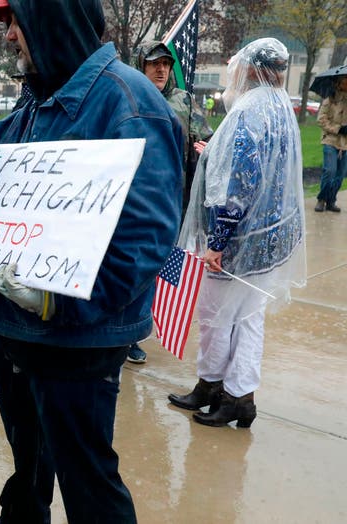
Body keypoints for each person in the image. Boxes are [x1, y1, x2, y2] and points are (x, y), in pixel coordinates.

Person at [0, 0, 182, 522]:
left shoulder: (129, 105)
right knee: (28, 461)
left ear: (52, 19)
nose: (9, 35)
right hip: (15, 329)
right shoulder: (37, 101)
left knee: (88, 480)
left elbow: (145, 239)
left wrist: (58, 302)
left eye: (16, 21)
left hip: (78, 343)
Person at [169, 38, 306, 429]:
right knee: (248, 316)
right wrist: (214, 152)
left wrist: (217, 241)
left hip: (240, 239)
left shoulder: (248, 111)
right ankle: (231, 393)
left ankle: (223, 390)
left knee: (216, 314)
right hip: (271, 238)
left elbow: (241, 184)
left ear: (249, 69)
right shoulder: (280, 108)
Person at [126, 40, 214, 364]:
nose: (161, 69)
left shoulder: (183, 100)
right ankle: (129, 334)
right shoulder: (127, 97)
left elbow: (205, 137)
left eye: (165, 64)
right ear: (141, 66)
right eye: (154, 64)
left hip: (173, 199)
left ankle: (146, 325)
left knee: (163, 266)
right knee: (134, 266)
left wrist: (207, 148)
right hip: (135, 199)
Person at [314, 75, 347, 213]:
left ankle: (331, 200)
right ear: (339, 83)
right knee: (330, 170)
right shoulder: (330, 98)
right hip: (330, 139)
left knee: (340, 173)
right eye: (344, 82)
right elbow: (321, 119)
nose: (346, 85)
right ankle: (321, 199)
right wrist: (338, 129)